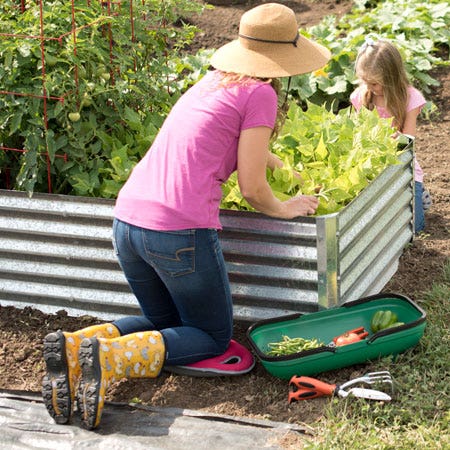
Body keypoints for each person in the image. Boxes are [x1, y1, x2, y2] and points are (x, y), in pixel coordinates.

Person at [42, 3, 331, 430]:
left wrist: (280, 166)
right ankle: (107, 359)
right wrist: (285, 207)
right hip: (179, 232)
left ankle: (75, 346)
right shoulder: (262, 93)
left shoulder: (212, 82)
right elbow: (252, 190)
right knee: (211, 335)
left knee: (163, 324)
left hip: (126, 223)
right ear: (282, 60)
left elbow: (224, 136)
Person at [350, 38, 431, 233]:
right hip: (372, 167)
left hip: (401, 167)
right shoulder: (361, 96)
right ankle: (413, 198)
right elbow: (356, 133)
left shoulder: (410, 98)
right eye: (365, 81)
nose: (369, 87)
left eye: (375, 83)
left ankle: (418, 193)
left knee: (415, 228)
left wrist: (393, 139)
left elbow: (408, 142)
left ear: (392, 78)